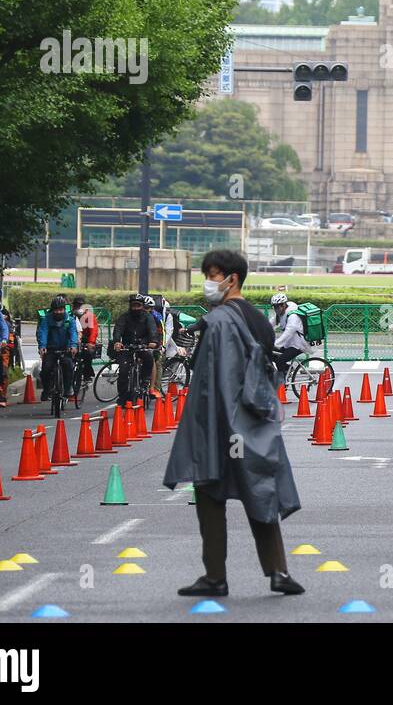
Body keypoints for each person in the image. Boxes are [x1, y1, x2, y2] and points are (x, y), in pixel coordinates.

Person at [164, 249, 304, 597]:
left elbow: (218, 380)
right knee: (260, 489)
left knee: (209, 491)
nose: (208, 283)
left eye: (212, 275)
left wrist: (217, 430)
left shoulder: (221, 320)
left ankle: (215, 576)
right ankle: (278, 572)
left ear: (232, 278)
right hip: (258, 419)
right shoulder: (258, 317)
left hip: (224, 422)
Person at [112, 293, 159, 406]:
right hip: (127, 347)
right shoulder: (124, 317)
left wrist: (153, 341)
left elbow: (153, 330)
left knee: (149, 357)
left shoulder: (148, 317)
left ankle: (145, 381)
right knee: (123, 371)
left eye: (138, 305)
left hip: (143, 345)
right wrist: (117, 341)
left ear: (142, 306)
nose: (136, 308)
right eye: (134, 305)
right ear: (130, 306)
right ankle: (122, 397)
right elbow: (118, 329)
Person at [36, 294, 79, 403]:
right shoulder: (46, 319)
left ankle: (67, 389)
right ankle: (46, 390)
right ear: (52, 310)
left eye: (61, 310)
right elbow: (43, 332)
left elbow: (73, 333)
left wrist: (73, 345)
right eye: (56, 310)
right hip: (51, 348)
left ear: (64, 309)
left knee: (69, 366)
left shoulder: (70, 320)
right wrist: (42, 347)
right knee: (46, 369)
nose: (59, 312)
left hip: (66, 348)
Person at [269, 292, 308, 377]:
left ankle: (282, 383)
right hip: (289, 344)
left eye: (277, 306)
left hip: (298, 345)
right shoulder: (280, 314)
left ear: (283, 305)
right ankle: (287, 368)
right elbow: (269, 324)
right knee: (269, 353)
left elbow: (289, 332)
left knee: (280, 361)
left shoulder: (292, 316)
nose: (275, 309)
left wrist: (277, 343)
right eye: (274, 307)